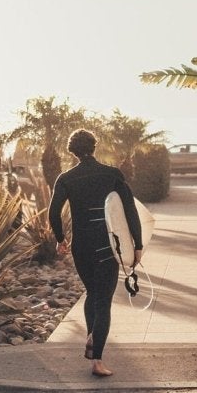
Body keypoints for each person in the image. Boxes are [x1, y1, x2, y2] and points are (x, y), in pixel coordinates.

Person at [49, 128, 143, 377]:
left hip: (81, 246)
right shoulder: (111, 174)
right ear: (94, 146)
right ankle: (97, 359)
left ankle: (92, 337)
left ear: (72, 151)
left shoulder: (66, 178)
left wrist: (60, 239)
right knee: (104, 300)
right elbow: (130, 210)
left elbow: (53, 213)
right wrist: (138, 243)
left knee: (92, 292)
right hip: (107, 245)